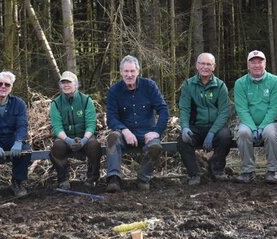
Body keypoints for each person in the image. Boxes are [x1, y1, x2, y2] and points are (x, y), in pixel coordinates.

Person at [104, 55, 169, 192]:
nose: (129, 75)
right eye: (126, 72)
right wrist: (124, 130)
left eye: (132, 71)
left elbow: (163, 110)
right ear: (121, 72)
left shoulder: (149, 86)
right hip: (124, 133)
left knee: (156, 146)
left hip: (147, 132)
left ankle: (143, 178)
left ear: (138, 72)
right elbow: (111, 118)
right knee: (113, 137)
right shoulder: (114, 91)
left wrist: (156, 131)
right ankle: (114, 179)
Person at [176, 53, 233, 185]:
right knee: (182, 141)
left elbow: (224, 111)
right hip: (195, 126)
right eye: (202, 63)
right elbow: (184, 109)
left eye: (209, 64)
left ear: (214, 67)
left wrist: (212, 132)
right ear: (197, 65)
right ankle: (194, 174)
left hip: (215, 127)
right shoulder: (189, 85)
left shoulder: (220, 86)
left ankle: (217, 169)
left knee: (226, 136)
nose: (205, 67)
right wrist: (184, 127)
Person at [234, 50, 277, 184]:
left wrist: (261, 127)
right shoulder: (240, 83)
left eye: (260, 62)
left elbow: (275, 107)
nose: (257, 65)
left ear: (265, 63)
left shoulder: (275, 81)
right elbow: (242, 108)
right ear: (248, 65)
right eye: (253, 62)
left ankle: (272, 171)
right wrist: (252, 127)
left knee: (270, 133)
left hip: (269, 122)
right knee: (243, 132)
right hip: (247, 122)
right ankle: (248, 171)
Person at [48, 71, 103, 189]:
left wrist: (84, 140)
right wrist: (68, 140)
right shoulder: (56, 104)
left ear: (76, 84)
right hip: (65, 136)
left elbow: (91, 124)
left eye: (69, 82)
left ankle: (92, 178)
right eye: (63, 82)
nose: (66, 85)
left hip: (84, 136)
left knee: (94, 145)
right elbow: (57, 127)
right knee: (57, 147)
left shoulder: (86, 100)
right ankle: (63, 179)